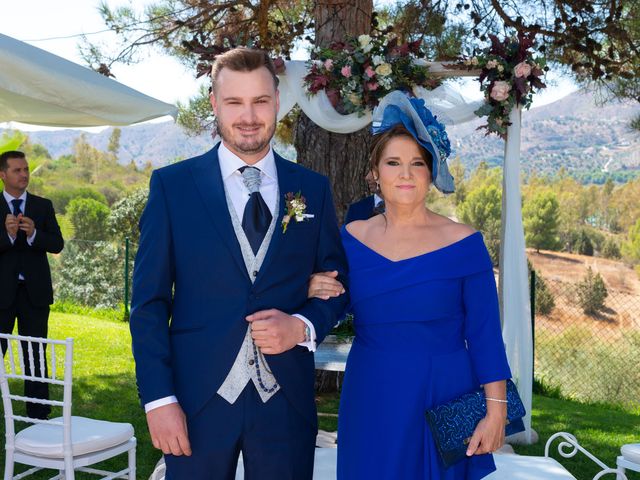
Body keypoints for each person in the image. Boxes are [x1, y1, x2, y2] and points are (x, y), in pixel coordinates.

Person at [130, 47, 349, 480]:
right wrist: (159, 400)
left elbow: (338, 289)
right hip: (196, 402)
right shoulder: (173, 187)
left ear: (278, 104)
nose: (248, 116)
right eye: (234, 102)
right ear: (214, 103)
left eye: (260, 101)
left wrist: (301, 326)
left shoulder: (313, 189)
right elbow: (149, 304)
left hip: (284, 402)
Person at [308, 91, 512, 479]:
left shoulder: (466, 243)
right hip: (372, 389)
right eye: (394, 163)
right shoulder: (351, 238)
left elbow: (485, 335)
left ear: (431, 172)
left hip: (446, 392)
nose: (405, 174)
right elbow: (334, 298)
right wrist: (310, 286)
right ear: (375, 172)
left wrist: (496, 411)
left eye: (417, 163)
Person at [0, 150, 64, 419]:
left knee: (35, 355)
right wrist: (7, 235)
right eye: (17, 170)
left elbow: (57, 243)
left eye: (26, 169)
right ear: (3, 175)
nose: (24, 174)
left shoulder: (42, 205)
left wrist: (34, 234)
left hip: (35, 295)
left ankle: (38, 414)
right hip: (1, 295)